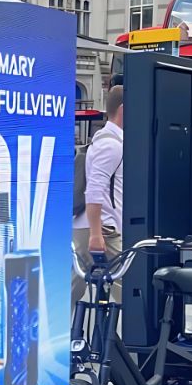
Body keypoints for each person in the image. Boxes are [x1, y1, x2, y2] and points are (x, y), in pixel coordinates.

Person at [72, 85, 124, 306]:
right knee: (132, 286)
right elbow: (94, 190)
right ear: (123, 110)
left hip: (91, 226)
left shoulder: (103, 141)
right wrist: (96, 233)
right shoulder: (111, 146)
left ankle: (55, 325)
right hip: (103, 229)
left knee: (73, 287)